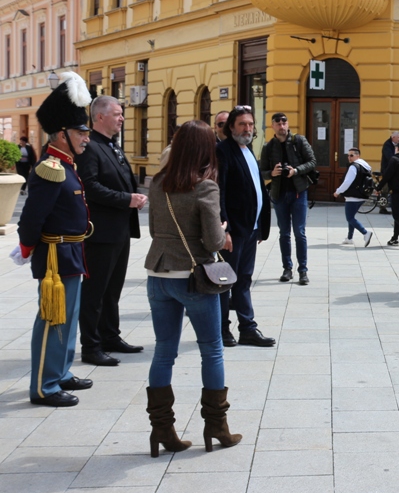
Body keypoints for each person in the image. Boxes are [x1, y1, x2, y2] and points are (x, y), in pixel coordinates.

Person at [145, 120, 241, 457]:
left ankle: (162, 430)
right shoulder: (205, 186)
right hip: (193, 277)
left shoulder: (157, 183)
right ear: (204, 149)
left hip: (159, 275)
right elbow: (214, 240)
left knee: (163, 351)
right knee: (211, 349)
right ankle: (216, 426)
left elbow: (156, 228)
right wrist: (223, 230)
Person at [13, 72, 93, 407]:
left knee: (69, 317)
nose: (86, 138)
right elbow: (31, 218)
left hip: (71, 251)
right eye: (80, 132)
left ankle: (60, 371)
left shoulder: (67, 165)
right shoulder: (49, 168)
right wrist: (27, 247)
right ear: (61, 135)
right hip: (55, 256)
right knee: (53, 320)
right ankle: (45, 386)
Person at [76, 95, 147, 366]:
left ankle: (110, 336)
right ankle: (91, 346)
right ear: (100, 117)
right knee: (95, 291)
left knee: (112, 289)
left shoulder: (111, 145)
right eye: (117, 114)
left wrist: (134, 195)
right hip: (101, 231)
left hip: (119, 229)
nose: (122, 118)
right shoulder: (90, 146)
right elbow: (90, 187)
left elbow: (121, 179)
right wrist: (126, 199)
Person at [216, 106, 275, 348]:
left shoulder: (249, 149)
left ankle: (247, 328)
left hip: (250, 229)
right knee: (224, 281)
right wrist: (224, 229)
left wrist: (260, 226)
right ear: (231, 127)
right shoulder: (222, 151)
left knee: (244, 279)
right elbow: (218, 191)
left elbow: (257, 188)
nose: (247, 129)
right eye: (242, 124)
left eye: (250, 124)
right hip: (234, 230)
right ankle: (222, 329)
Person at [259, 112, 317, 285]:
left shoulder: (299, 141)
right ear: (273, 126)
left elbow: (312, 161)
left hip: (299, 193)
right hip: (279, 195)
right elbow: (261, 172)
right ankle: (287, 269)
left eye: (284, 122)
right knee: (284, 233)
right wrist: (272, 173)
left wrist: (296, 171)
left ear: (287, 124)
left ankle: (303, 271)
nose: (281, 125)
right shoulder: (268, 147)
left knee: (299, 232)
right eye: (278, 123)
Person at [334, 148, 374, 247]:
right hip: (362, 195)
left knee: (350, 218)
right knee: (351, 217)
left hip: (353, 196)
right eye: (348, 155)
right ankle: (349, 238)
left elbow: (347, 182)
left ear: (357, 156)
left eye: (351, 155)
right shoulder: (365, 166)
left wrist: (338, 191)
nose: (349, 157)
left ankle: (365, 233)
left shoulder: (354, 167)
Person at [380, 131, 399, 214]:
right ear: (393, 137)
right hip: (387, 171)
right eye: (398, 137)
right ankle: (382, 208)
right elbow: (390, 157)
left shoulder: (397, 145)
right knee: (385, 190)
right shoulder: (387, 145)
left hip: (394, 171)